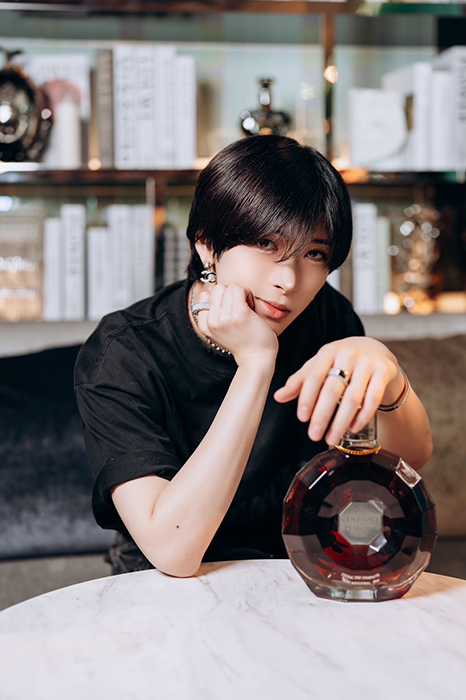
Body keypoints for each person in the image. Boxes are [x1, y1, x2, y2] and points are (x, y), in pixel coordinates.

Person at [75, 135, 433, 578]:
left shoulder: (326, 318)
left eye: (314, 253)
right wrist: (256, 363)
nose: (288, 280)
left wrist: (389, 376)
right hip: (164, 588)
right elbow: (173, 551)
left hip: (296, 573)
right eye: (265, 243)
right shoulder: (123, 352)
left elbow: (408, 459)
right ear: (206, 243)